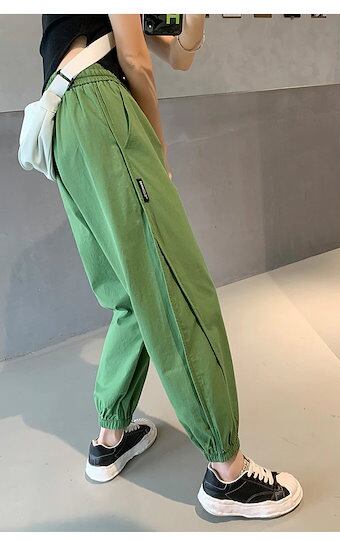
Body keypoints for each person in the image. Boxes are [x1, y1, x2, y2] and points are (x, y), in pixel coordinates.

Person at [39, 13, 303, 519]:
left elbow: (177, 54)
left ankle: (110, 438)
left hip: (63, 117)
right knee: (177, 285)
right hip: (101, 104)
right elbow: (136, 60)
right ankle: (228, 473)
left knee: (130, 293)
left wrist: (195, 16)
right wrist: (158, 151)